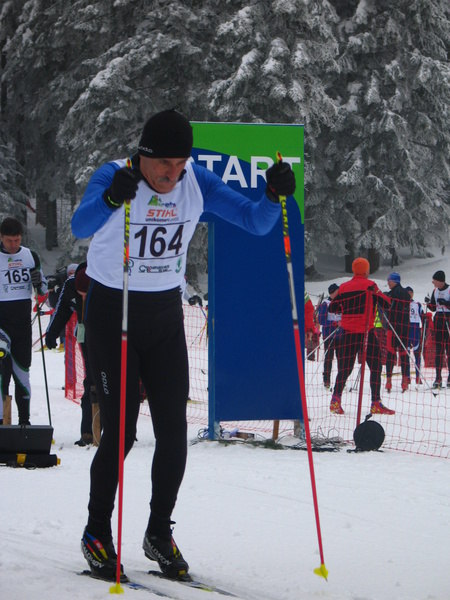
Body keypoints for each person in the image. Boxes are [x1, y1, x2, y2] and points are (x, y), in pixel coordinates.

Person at [71, 109, 295, 582]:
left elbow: (255, 221)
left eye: (180, 164)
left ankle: (158, 532)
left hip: (164, 316)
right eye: (163, 165)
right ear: (143, 155)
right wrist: (111, 198)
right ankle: (96, 531)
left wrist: (273, 196)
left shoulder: (197, 181)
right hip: (114, 313)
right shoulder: (115, 175)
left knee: (173, 433)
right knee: (120, 433)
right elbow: (80, 224)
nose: (172, 175)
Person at [328, 257, 395, 415]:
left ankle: (335, 400)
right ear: (366, 270)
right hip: (366, 333)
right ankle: (375, 402)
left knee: (345, 368)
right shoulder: (370, 285)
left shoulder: (344, 287)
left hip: (348, 333)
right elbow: (387, 303)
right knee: (376, 366)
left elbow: (333, 307)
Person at [0, 216, 47, 425]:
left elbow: (43, 291)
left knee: (22, 373)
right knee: (1, 374)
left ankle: (24, 422)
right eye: (9, 240)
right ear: (1, 238)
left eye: (17, 240)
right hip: (1, 324)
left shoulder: (30, 256)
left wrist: (38, 282)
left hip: (22, 325)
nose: (13, 245)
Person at [45, 262, 96, 445]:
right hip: (85, 334)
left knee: (110, 381)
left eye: (86, 295)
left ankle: (121, 428)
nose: (83, 298)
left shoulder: (104, 282)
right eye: (80, 295)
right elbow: (61, 310)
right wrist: (52, 333)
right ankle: (88, 432)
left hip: (109, 336)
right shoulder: (69, 285)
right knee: (91, 380)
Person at [384, 272, 411, 392]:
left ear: (395, 281)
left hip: (393, 326)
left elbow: (390, 307)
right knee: (404, 353)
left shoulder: (393, 293)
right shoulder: (406, 293)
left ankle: (388, 380)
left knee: (390, 353)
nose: (388, 283)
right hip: (404, 327)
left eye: (389, 281)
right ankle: (405, 381)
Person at [425, 270, 450, 388]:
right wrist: (429, 304)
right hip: (439, 320)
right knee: (439, 351)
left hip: (448, 319)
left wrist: (446, 303)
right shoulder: (435, 291)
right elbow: (434, 308)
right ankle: (438, 378)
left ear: (440, 281)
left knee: (449, 350)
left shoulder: (449, 290)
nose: (433, 282)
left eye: (434, 280)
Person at [317, 283, 341, 388]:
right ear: (332, 292)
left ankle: (341, 381)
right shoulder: (325, 304)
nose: (339, 293)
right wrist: (333, 323)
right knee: (329, 358)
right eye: (337, 291)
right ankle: (326, 380)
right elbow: (321, 320)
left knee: (341, 358)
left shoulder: (342, 302)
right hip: (329, 335)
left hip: (340, 335)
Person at [405, 286, 424, 384]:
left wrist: (425, 321)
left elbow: (423, 316)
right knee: (406, 355)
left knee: (417, 355)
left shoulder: (417, 304)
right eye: (407, 293)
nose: (409, 295)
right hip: (406, 330)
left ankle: (418, 377)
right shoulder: (402, 303)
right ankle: (407, 377)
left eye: (410, 293)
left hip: (415, 330)